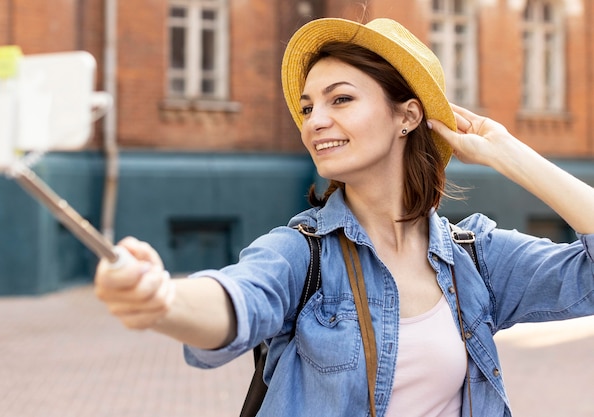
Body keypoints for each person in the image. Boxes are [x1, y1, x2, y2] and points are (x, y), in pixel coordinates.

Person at [94, 17, 594, 417]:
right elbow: (237, 301)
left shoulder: (476, 258)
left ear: (408, 116)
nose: (316, 121)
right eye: (309, 107)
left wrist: (508, 153)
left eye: (341, 99)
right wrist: (163, 298)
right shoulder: (301, 253)